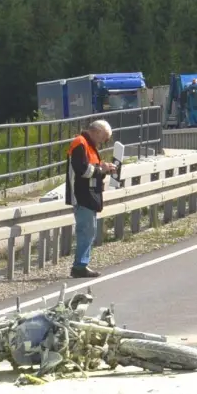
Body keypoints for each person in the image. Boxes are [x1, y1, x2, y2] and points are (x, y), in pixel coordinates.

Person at [66, 119, 116, 278]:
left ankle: (82, 264)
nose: (105, 141)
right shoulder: (80, 143)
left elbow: (93, 169)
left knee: (89, 230)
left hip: (90, 195)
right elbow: (83, 170)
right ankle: (80, 266)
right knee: (86, 230)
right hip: (82, 195)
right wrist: (102, 169)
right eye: (104, 137)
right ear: (96, 132)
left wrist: (104, 169)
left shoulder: (90, 147)